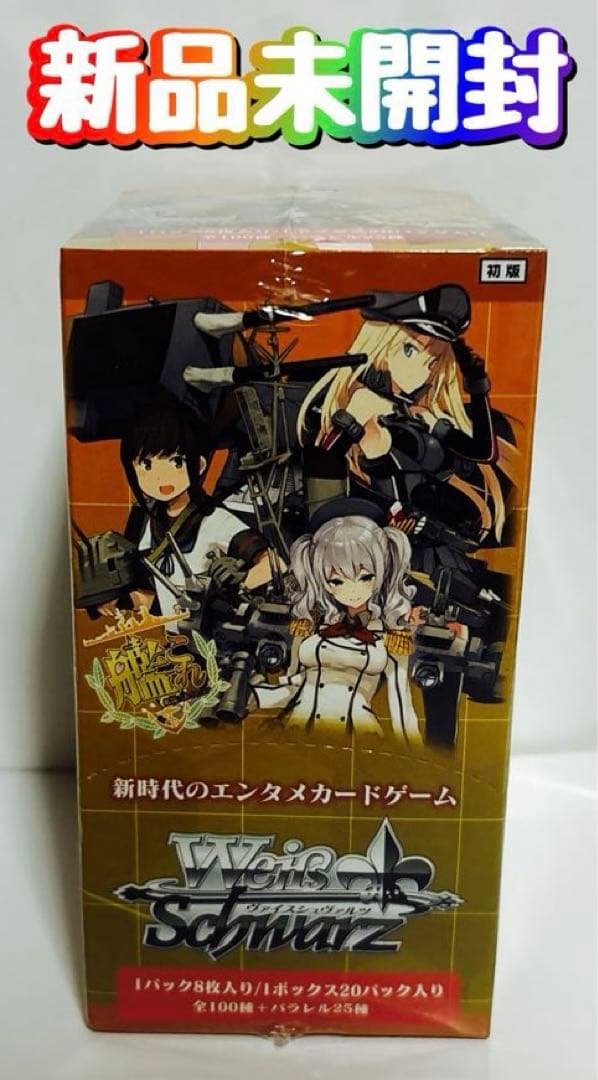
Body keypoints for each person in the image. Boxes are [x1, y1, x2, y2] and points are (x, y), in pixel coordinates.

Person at [298, 285, 520, 573]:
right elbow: (321, 509)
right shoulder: (353, 411)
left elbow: (484, 452)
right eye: (409, 349)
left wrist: (478, 388)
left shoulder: (418, 413)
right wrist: (349, 422)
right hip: (387, 559)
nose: (422, 373)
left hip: (445, 548)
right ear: (377, 344)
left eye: (433, 361)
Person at [253, 500, 423, 746]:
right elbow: (293, 687)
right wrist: (254, 695)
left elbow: (401, 704)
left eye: (365, 577)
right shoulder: (310, 625)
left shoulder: (391, 635)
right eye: (336, 581)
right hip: (300, 731)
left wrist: (413, 756)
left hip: (356, 736)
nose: (352, 590)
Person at [119, 395, 274, 619]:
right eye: (147, 464)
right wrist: (117, 599)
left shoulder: (215, 520)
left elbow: (273, 564)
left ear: (199, 464)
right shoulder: (145, 524)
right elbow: (156, 599)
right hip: (172, 634)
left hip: (214, 634)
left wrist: (236, 587)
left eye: (176, 461)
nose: (162, 476)